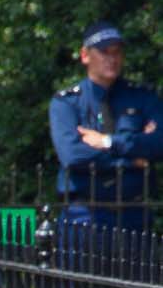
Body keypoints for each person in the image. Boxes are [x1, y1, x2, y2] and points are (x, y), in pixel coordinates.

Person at [49, 22, 163, 232]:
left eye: (117, 52)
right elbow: (73, 156)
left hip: (134, 213)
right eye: (104, 52)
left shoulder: (142, 97)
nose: (112, 59)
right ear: (85, 56)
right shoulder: (67, 103)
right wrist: (132, 158)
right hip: (84, 213)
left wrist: (107, 142)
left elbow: (159, 143)